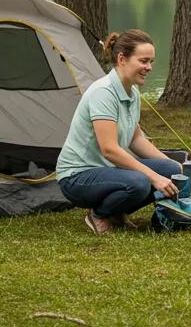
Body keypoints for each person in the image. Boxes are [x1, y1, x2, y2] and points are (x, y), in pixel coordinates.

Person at [56, 29, 181, 236]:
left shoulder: (132, 92)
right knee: (141, 182)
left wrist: (173, 170)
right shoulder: (103, 92)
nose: (149, 67)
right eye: (143, 61)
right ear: (122, 59)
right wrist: (153, 177)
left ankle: (116, 211)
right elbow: (109, 150)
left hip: (108, 170)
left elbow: (136, 138)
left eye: (151, 61)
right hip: (77, 177)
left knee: (169, 170)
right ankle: (99, 215)